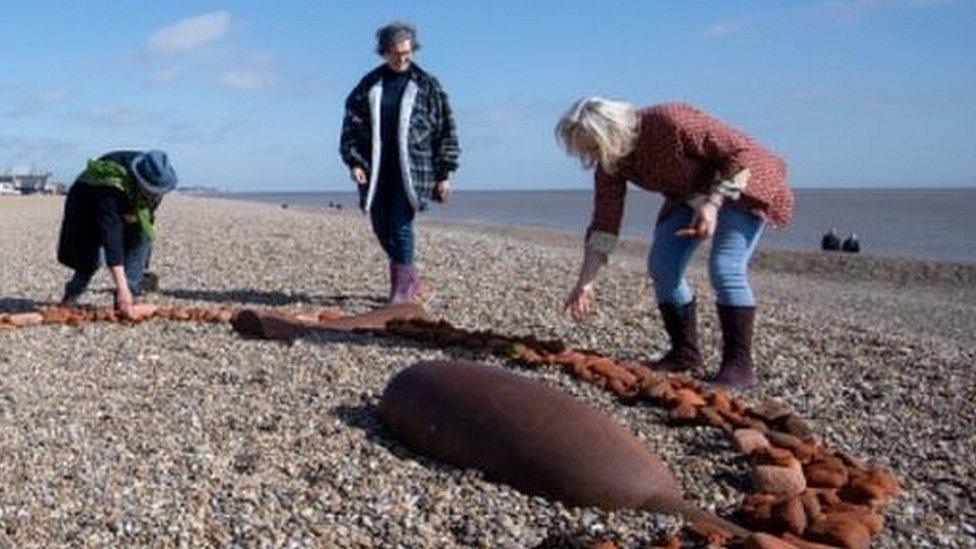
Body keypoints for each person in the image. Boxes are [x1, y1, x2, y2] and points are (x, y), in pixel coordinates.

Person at [556, 98, 794, 389]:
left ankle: (739, 368)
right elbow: (605, 222)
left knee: (725, 268)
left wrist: (713, 204)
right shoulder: (610, 164)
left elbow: (739, 153)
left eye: (593, 147)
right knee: (662, 265)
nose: (591, 158)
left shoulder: (670, 120)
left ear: (610, 133)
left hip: (742, 183)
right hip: (689, 194)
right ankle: (684, 353)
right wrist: (586, 282)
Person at [339, 22, 460, 303]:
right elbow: (351, 128)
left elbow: (446, 130)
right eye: (395, 53)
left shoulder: (428, 86)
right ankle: (411, 278)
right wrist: (354, 162)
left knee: (401, 224)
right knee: (381, 225)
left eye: (407, 52)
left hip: (415, 169)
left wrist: (445, 173)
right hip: (376, 169)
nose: (402, 58)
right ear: (383, 53)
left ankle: (401, 292)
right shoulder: (368, 86)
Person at [57, 150, 177, 317]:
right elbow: (111, 240)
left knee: (141, 237)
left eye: (157, 192)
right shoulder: (110, 189)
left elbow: (146, 221)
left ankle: (128, 294)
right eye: (149, 191)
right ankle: (71, 296)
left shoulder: (157, 180)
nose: (154, 196)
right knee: (90, 259)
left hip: (126, 201)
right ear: (138, 179)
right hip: (85, 205)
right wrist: (121, 286)